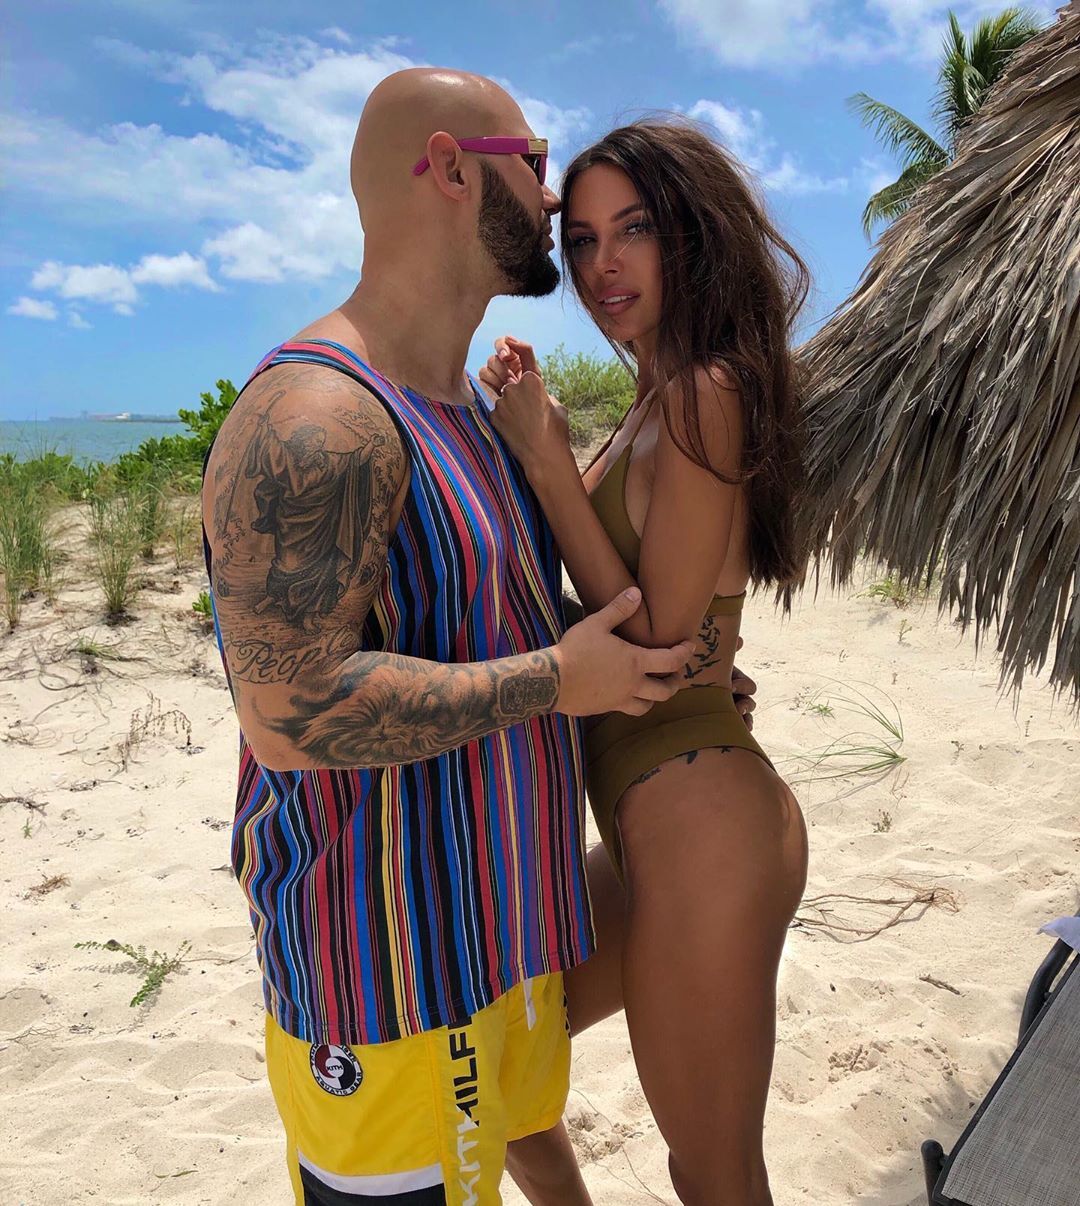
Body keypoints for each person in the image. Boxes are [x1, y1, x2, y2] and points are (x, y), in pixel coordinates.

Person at [201, 72, 699, 1206]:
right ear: (450, 168)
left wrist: (649, 667)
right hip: (386, 986)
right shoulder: (316, 416)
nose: (554, 193)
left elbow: (482, 620)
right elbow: (290, 714)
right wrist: (558, 680)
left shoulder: (466, 411)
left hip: (504, 950)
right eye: (535, 161)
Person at [482, 119, 811, 1206]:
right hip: (649, 815)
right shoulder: (652, 403)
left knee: (712, 1175)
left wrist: (546, 461)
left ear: (692, 236)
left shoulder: (709, 389)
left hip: (702, 824)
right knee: (498, 1055)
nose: (602, 265)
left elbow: (657, 641)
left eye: (634, 230)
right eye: (580, 240)